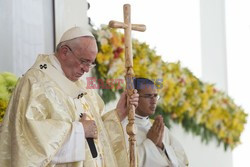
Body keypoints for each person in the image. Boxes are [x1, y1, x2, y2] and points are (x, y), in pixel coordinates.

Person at [0, 27, 138, 167]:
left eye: (91, 64)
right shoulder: (35, 83)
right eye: (84, 61)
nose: (86, 69)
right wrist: (79, 130)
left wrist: (119, 113)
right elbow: (28, 142)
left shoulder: (82, 88)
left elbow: (96, 135)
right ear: (65, 51)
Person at [121, 78, 189, 167]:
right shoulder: (123, 127)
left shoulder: (159, 129)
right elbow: (123, 162)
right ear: (135, 97)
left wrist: (162, 146)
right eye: (148, 96)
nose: (154, 101)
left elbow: (183, 162)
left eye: (156, 96)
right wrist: (150, 142)